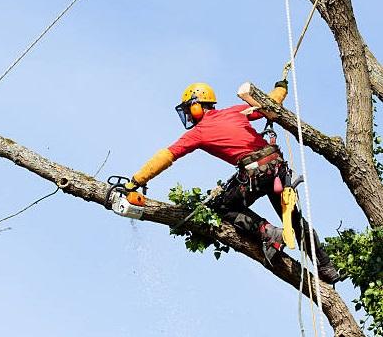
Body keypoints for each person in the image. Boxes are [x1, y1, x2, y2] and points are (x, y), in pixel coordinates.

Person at [124, 82, 340, 284]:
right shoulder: (235, 111)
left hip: (256, 173)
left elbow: (167, 156)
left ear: (197, 106)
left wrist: (136, 181)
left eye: (189, 110)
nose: (189, 115)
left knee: (222, 207)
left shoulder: (198, 133)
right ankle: (326, 267)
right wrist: (280, 88)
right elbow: (269, 102)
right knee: (294, 220)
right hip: (277, 167)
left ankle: (268, 232)